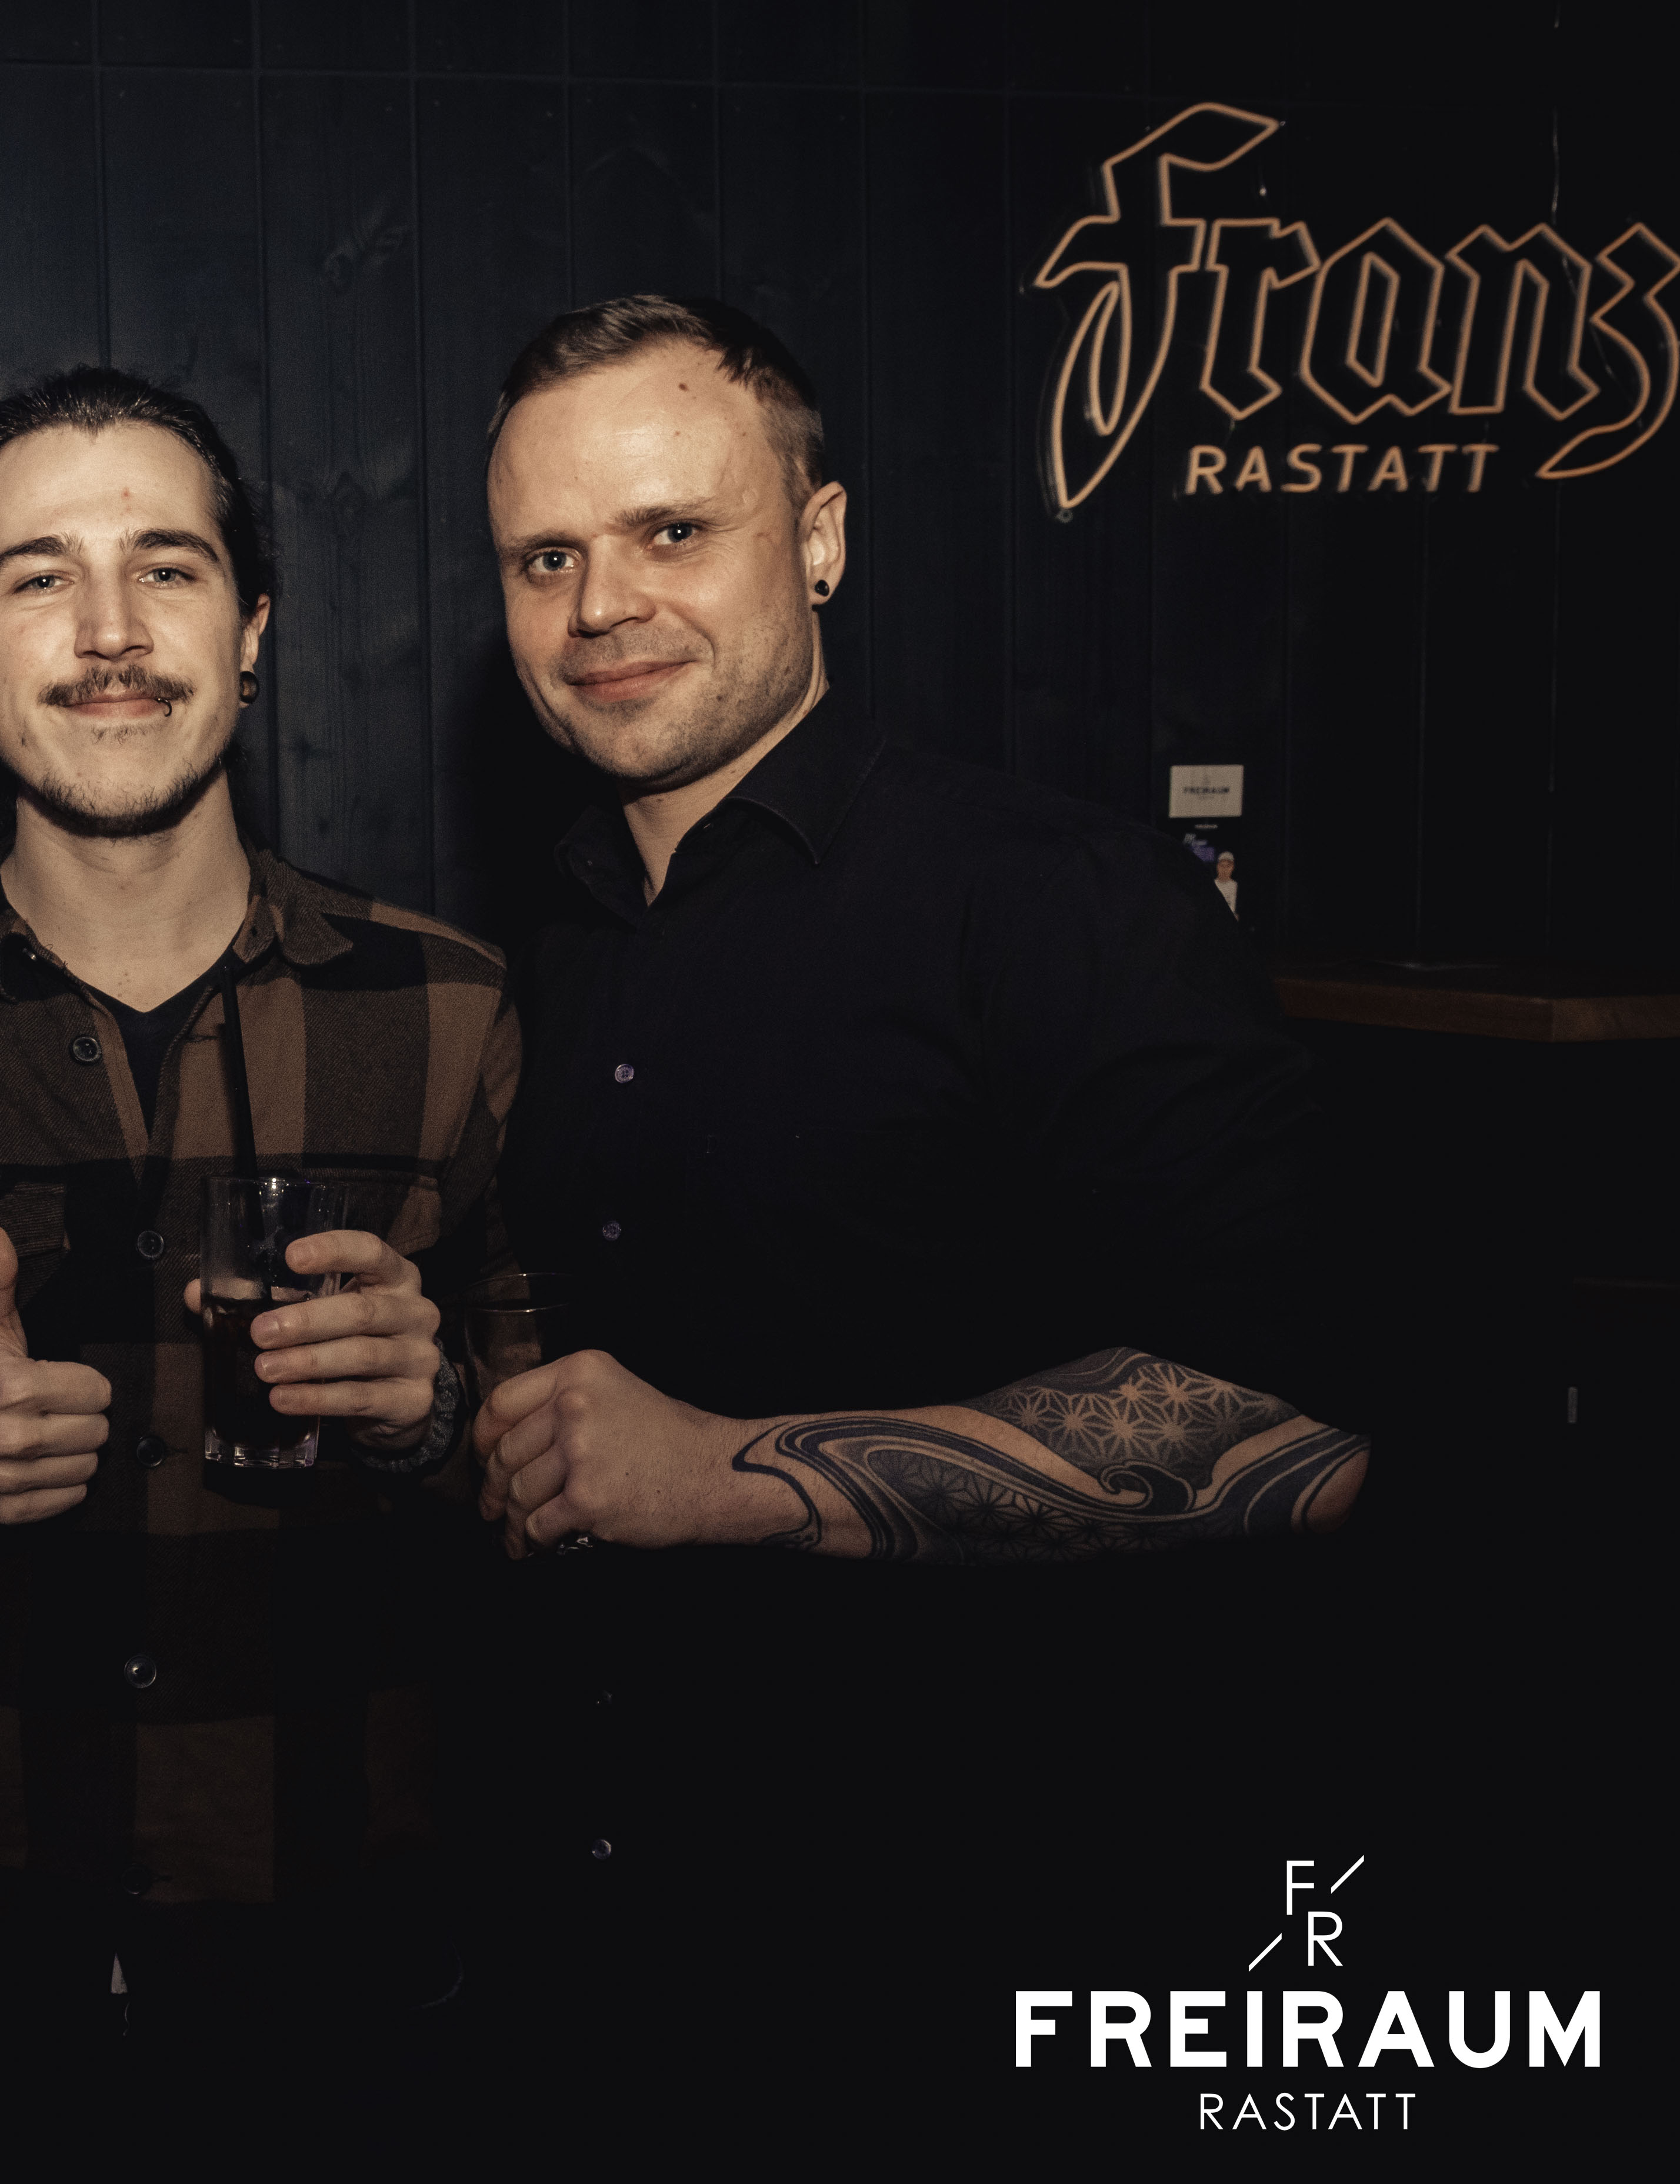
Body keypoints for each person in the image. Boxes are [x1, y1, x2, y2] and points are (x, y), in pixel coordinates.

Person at [467, 294, 1369, 2104]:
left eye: (671, 531)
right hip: (622, 1936)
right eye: (545, 556)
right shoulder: (550, 941)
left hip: (969, 1938)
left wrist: (731, 1473)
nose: (600, 604)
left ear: (820, 540)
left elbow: (1293, 1434)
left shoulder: (1063, 900)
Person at [0, 368, 515, 2170]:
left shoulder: (450, 1009)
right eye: (37, 578)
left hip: (347, 1946)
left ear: (253, 633)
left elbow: (556, 1475)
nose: (107, 631)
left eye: (166, 568)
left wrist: (434, 1410)